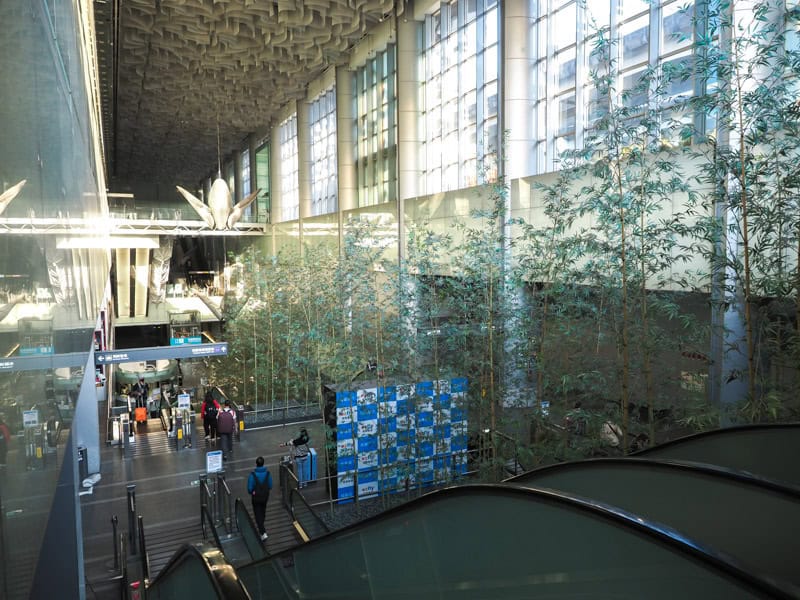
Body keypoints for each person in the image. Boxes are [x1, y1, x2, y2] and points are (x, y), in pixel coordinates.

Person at [247, 456, 272, 541]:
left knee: (257, 514)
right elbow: (270, 485)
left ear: (256, 464)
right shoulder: (268, 474)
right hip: (265, 496)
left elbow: (249, 489)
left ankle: (263, 532)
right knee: (263, 511)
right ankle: (262, 525)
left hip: (256, 497)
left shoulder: (252, 475)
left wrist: (253, 492)